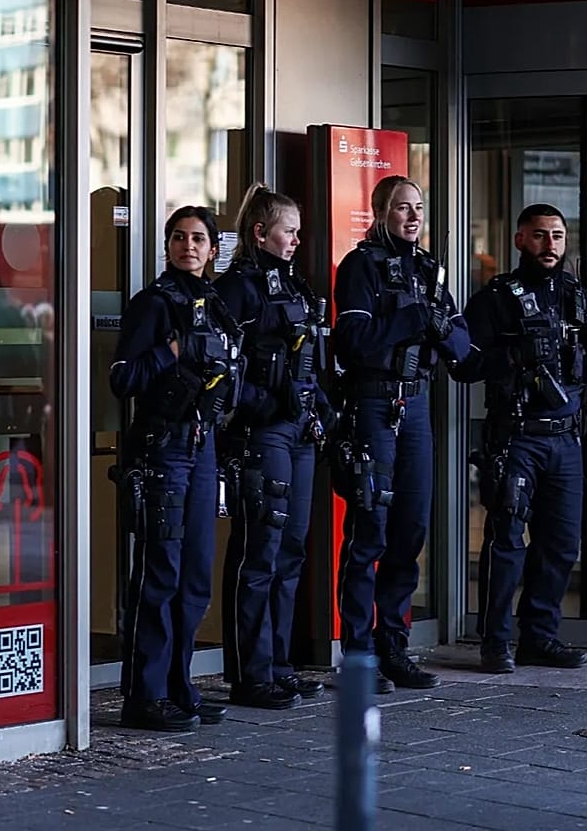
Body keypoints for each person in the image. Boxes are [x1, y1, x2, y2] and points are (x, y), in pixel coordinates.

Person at [455, 204, 587, 673]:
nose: (550, 245)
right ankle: (496, 641)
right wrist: (514, 356)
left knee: (561, 543)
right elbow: (464, 365)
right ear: (520, 239)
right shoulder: (495, 299)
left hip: (566, 439)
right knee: (507, 541)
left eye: (558, 236)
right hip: (517, 438)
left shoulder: (577, 297)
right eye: (540, 236)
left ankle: (539, 637)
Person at [331, 175, 471, 692]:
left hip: (416, 405)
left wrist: (435, 327)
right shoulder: (361, 266)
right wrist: (412, 319)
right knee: (371, 529)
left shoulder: (430, 269)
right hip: (373, 401)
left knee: (410, 531)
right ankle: (359, 655)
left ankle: (394, 646)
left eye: (418, 208)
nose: (413, 217)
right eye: (401, 208)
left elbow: (461, 340)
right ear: (379, 212)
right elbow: (354, 342)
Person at [109, 205, 242, 730]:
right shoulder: (154, 303)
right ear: (168, 246)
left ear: (213, 249)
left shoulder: (216, 303)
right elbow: (123, 377)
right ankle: (145, 695)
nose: (189, 246)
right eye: (180, 238)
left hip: (202, 444)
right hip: (163, 447)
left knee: (195, 577)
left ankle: (179, 686)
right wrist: (172, 349)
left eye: (199, 239)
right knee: (160, 575)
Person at [213, 183, 332, 710]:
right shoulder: (237, 287)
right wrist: (261, 402)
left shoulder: (295, 285)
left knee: (291, 550)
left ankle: (279, 665)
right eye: (289, 230)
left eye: (298, 232)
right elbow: (221, 364)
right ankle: (250, 673)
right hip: (262, 432)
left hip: (299, 430)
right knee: (259, 551)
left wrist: (322, 410)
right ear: (261, 232)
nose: (296, 240)